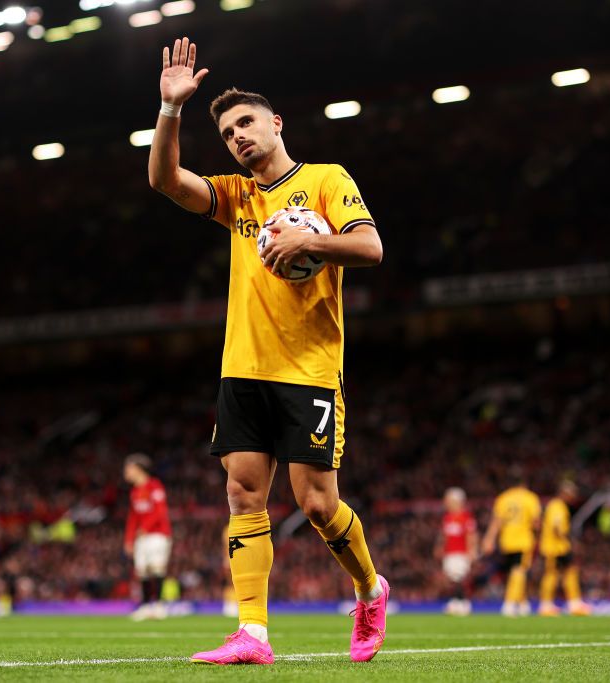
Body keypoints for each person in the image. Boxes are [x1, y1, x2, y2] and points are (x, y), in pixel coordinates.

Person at [147, 37, 386, 665]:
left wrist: (309, 246)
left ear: (275, 122)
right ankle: (252, 632)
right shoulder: (236, 197)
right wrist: (171, 109)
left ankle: (368, 587)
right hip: (242, 367)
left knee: (317, 505)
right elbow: (165, 180)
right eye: (227, 134)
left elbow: (370, 249)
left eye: (246, 123)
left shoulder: (326, 181)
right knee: (242, 496)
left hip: (308, 368)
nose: (238, 138)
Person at [481, 471, 540, 617]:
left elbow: (496, 522)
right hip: (523, 540)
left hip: (506, 541)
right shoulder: (530, 498)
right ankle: (509, 603)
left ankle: (522, 603)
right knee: (519, 571)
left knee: (514, 572)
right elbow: (536, 522)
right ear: (524, 483)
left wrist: (488, 539)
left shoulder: (503, 498)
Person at [123, 454, 173, 621]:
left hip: (158, 535)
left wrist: (145, 528)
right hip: (141, 538)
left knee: (156, 568)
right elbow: (133, 518)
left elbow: (160, 511)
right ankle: (145, 606)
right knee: (142, 570)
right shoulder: (135, 492)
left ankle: (158, 606)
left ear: (138, 469)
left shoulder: (154, 486)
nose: (126, 472)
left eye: (128, 468)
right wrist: (129, 540)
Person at [537, 480, 590, 616]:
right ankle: (546, 605)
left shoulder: (557, 505)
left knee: (570, 572)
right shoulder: (557, 505)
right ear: (564, 493)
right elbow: (557, 527)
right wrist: (569, 540)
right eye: (571, 493)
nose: (573, 496)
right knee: (552, 575)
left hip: (558, 547)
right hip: (555, 547)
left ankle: (574, 603)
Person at [436, 487, 477, 616]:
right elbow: (444, 536)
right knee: (452, 578)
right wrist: (439, 547)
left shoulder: (465, 517)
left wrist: (472, 550)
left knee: (459, 578)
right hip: (449, 553)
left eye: (448, 500)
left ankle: (462, 603)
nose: (446, 503)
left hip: (461, 552)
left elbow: (471, 535)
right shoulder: (447, 517)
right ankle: (457, 602)